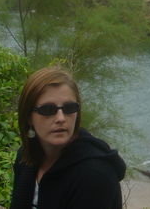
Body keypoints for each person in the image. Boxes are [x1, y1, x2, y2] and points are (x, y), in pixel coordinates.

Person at [11, 67, 126, 209]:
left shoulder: (94, 176)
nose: (60, 118)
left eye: (69, 108)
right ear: (29, 117)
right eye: (47, 109)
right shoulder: (26, 159)